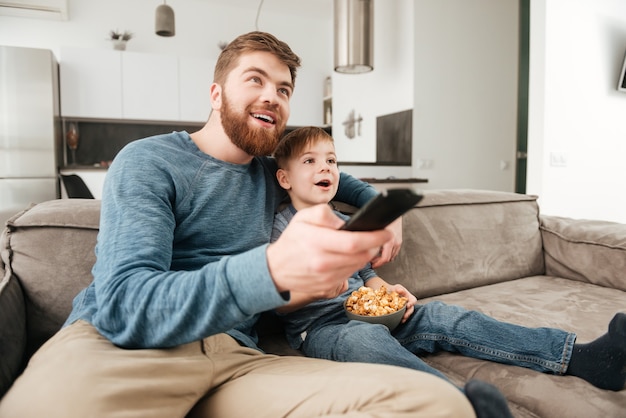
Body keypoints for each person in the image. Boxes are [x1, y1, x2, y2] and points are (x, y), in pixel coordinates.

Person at [0, 32, 476, 418]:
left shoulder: (274, 174)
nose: (272, 95)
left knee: (437, 404)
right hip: (123, 348)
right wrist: (272, 271)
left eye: (284, 89)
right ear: (216, 93)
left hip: (235, 357)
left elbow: (342, 179)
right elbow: (126, 304)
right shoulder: (149, 161)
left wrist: (385, 214)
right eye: (255, 79)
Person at [270, 126, 626, 413]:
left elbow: (367, 277)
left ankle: (580, 357)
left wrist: (388, 293)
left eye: (332, 160)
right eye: (311, 161)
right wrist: (320, 287)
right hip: (321, 328)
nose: (326, 168)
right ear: (285, 179)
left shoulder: (350, 223)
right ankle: (460, 405)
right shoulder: (280, 229)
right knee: (364, 340)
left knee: (447, 316)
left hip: (378, 317)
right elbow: (278, 300)